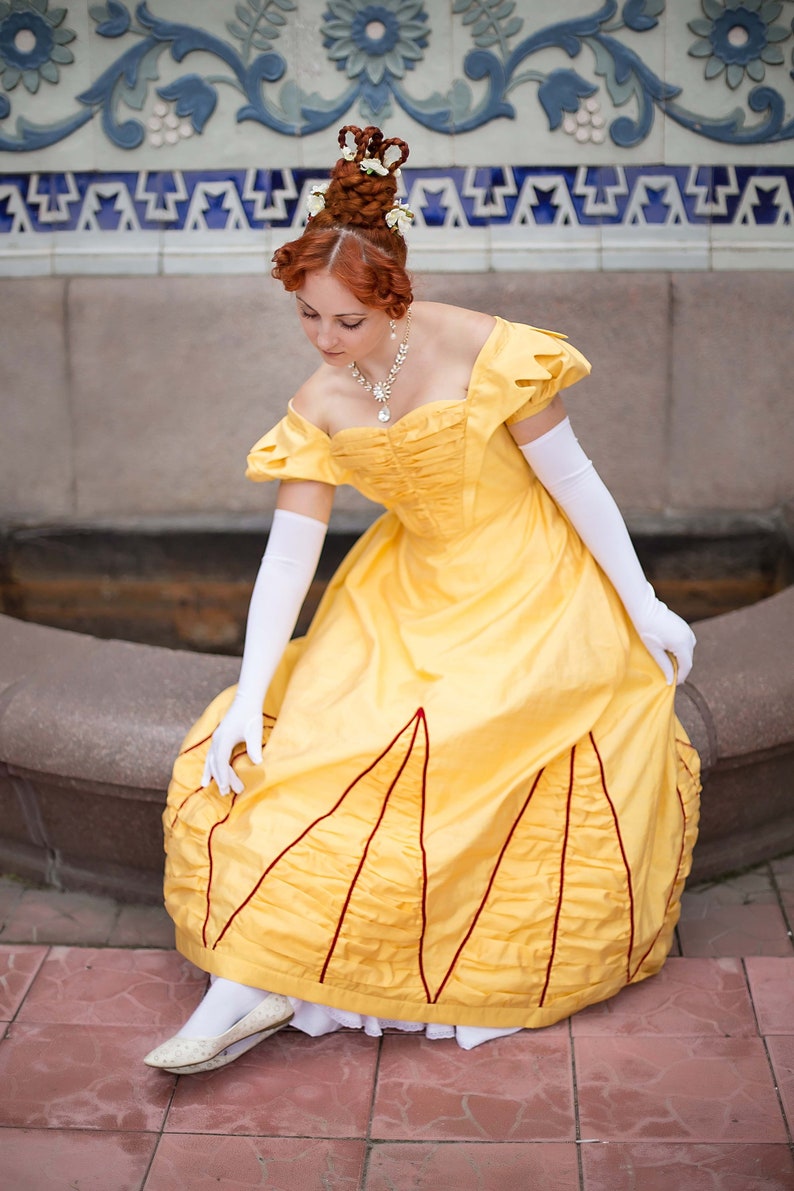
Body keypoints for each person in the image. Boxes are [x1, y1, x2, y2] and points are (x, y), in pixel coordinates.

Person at [144, 124, 700, 1075]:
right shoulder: (320, 401)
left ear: (393, 296)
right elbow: (288, 557)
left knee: (447, 755)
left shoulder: (495, 354)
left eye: (347, 321)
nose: (326, 341)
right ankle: (252, 982)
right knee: (307, 742)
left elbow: (577, 483)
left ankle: (333, 973)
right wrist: (247, 692)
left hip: (533, 590)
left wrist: (642, 601)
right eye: (308, 318)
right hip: (407, 586)